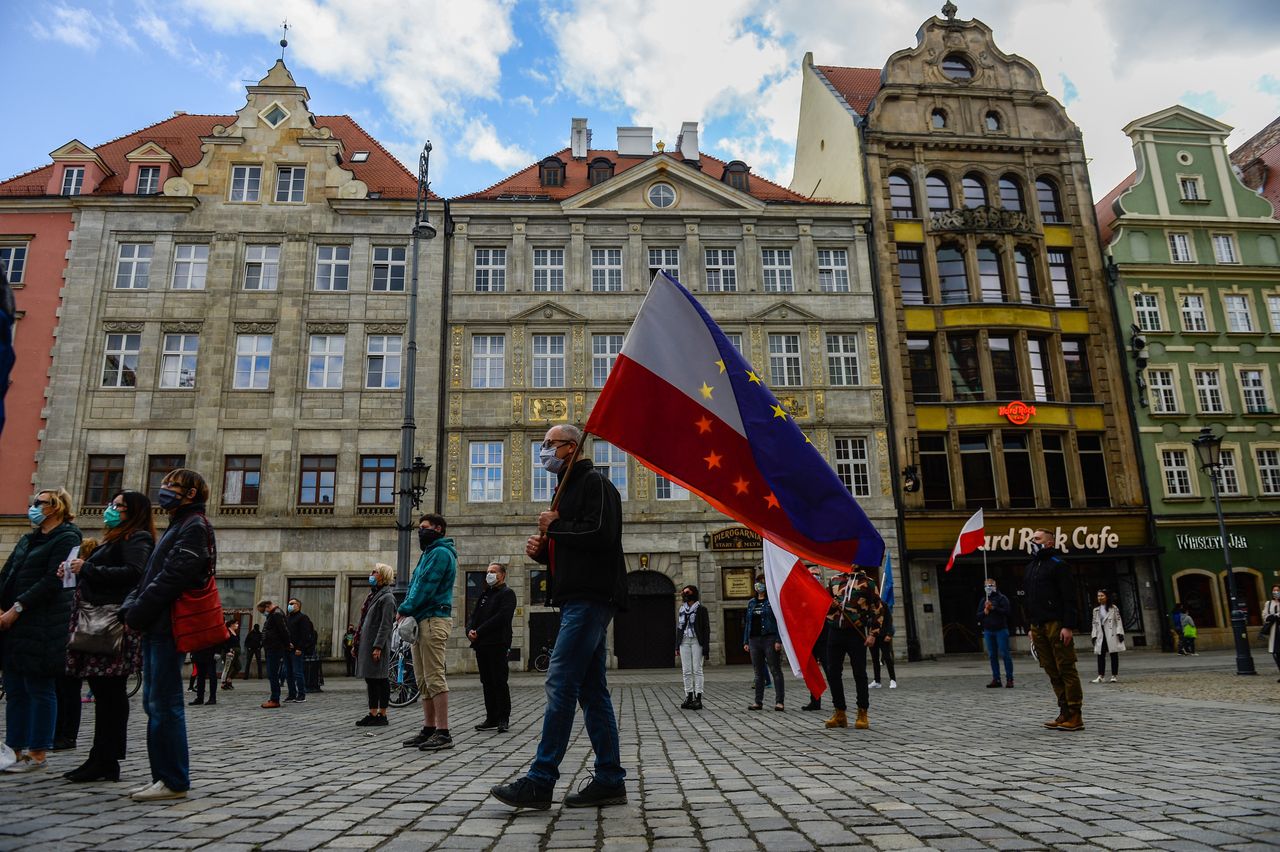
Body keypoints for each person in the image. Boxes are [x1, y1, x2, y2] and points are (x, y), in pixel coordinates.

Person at [491, 424, 628, 810]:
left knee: (560, 681)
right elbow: (575, 543)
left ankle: (540, 780)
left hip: (590, 597)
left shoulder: (596, 485)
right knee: (591, 691)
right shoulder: (564, 489)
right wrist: (544, 552)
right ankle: (609, 779)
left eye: (549, 445)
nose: (544, 452)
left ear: (571, 447)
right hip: (576, 596)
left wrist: (557, 528)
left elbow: (602, 534)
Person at [118, 468, 216, 801]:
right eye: (163, 484)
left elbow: (174, 577)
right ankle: (163, 776)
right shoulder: (178, 526)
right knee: (154, 703)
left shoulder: (194, 527)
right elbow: (149, 576)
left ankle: (173, 779)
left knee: (165, 704)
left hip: (166, 625)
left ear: (191, 494)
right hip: (155, 623)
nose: (164, 490)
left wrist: (138, 610)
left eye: (172, 485)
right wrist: (132, 603)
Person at [60, 492, 154, 782]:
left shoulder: (137, 538)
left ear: (134, 511)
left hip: (110, 624)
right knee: (104, 692)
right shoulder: (117, 537)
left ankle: (106, 758)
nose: (111, 509)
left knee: (110, 694)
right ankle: (102, 757)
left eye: (118, 506)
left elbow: (133, 573)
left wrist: (87, 567)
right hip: (97, 620)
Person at [0, 488, 82, 774]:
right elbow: (8, 573)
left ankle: (37, 752)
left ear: (56, 507)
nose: (33, 507)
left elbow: (52, 581)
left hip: (43, 622)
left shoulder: (68, 537)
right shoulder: (28, 538)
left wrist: (17, 608)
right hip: (14, 623)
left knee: (39, 687)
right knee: (15, 687)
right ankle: (14, 748)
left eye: (40, 503)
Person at [398, 513, 457, 752]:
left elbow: (425, 586)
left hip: (433, 619)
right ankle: (429, 728)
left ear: (439, 529)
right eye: (420, 528)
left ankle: (443, 731)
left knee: (434, 677)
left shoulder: (441, 553)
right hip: (422, 620)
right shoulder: (428, 553)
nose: (421, 531)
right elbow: (416, 584)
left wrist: (405, 608)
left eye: (425, 527)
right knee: (422, 680)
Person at [1024, 528, 1083, 732]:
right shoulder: (1031, 566)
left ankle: (1075, 714)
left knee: (1065, 667)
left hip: (1056, 623)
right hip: (1038, 625)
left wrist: (1068, 625)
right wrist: (1030, 626)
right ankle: (1064, 710)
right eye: (1032, 539)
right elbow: (1028, 599)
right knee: (1050, 669)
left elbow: (1069, 597)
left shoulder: (1058, 565)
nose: (1033, 541)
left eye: (1037, 539)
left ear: (1049, 543)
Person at [53, 537, 99, 752]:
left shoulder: (88, 575)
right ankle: (63, 733)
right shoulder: (73, 576)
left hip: (78, 635)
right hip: (71, 633)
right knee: (66, 688)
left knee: (68, 688)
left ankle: (67, 734)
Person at [823, 571, 884, 730]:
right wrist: (831, 604)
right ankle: (839, 712)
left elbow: (877, 609)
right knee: (833, 672)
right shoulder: (834, 580)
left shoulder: (868, 582)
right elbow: (823, 603)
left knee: (860, 673)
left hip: (855, 633)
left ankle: (862, 712)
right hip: (834, 631)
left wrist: (873, 634)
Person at [469, 562, 517, 732]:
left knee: (499, 681)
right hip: (481, 645)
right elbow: (474, 615)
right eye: (488, 571)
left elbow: (502, 617)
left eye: (493, 572)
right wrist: (470, 630)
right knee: (487, 681)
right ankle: (491, 717)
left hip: (498, 643)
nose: (489, 574)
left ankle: (503, 717)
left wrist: (479, 631)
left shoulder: (507, 593)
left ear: (502, 575)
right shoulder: (484, 594)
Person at [354, 563, 398, 727]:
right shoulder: (373, 595)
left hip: (377, 645)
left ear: (383, 576)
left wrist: (378, 646)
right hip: (367, 643)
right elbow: (364, 621)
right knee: (371, 679)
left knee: (380, 679)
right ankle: (372, 712)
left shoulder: (387, 597)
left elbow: (386, 625)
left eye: (375, 572)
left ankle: (382, 714)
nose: (371, 574)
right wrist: (356, 643)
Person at [743, 576, 784, 711]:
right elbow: (748, 623)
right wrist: (746, 641)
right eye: (757, 583)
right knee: (758, 672)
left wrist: (778, 640)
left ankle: (779, 701)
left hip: (769, 639)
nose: (759, 585)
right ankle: (758, 702)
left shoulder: (772, 601)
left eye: (762, 583)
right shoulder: (751, 603)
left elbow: (779, 621)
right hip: (754, 640)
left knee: (775, 670)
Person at [675, 584, 710, 711]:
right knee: (686, 671)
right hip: (684, 641)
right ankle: (688, 697)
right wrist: (677, 645)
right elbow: (679, 628)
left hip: (697, 641)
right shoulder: (681, 609)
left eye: (687, 592)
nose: (685, 594)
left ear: (694, 594)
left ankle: (698, 698)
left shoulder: (701, 609)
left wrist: (706, 647)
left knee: (697, 670)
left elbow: (706, 629)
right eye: (684, 592)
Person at [978, 578, 1015, 688]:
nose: (988, 588)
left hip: (1001, 630)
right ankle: (996, 678)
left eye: (990, 585)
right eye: (986, 586)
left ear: (995, 586)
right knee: (992, 655)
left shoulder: (1002, 598)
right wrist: (985, 612)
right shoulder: (983, 600)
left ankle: (1009, 679)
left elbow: (1007, 612)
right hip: (988, 630)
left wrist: (993, 608)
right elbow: (978, 615)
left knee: (1005, 654)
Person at [802, 567, 829, 712]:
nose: (814, 577)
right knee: (811, 671)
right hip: (810, 639)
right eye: (812, 575)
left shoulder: (826, 593)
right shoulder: (803, 594)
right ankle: (815, 700)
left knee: (831, 670)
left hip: (825, 638)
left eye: (817, 575)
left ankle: (838, 701)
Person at [257, 600, 290, 708]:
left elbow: (284, 630)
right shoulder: (274, 614)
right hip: (272, 647)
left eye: (263, 611)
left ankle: (275, 699)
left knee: (272, 674)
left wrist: (286, 644)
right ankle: (274, 697)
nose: (263, 614)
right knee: (272, 674)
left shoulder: (276, 614)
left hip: (275, 647)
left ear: (267, 606)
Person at [1090, 589, 1125, 683]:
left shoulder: (1113, 608)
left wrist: (1120, 633)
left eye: (1102, 595)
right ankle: (1101, 676)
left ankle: (1114, 675)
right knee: (1100, 655)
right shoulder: (1096, 610)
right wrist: (1093, 635)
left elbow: (1118, 621)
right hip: (1100, 634)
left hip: (1111, 633)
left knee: (1113, 654)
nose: (1100, 598)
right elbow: (1094, 623)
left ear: (1107, 597)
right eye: (1098, 596)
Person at [285, 598, 315, 702]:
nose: (290, 605)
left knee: (297, 672)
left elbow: (305, 634)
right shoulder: (287, 618)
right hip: (287, 649)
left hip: (297, 650)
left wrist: (300, 648)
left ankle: (301, 694)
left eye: (292, 603)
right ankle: (291, 694)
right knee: (288, 673)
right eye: (289, 603)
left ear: (298, 605)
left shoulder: (303, 618)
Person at [869, 580, 897, 690]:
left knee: (887, 658)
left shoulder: (883, 605)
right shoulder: (868, 606)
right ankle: (877, 681)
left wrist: (889, 634)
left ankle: (893, 680)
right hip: (873, 636)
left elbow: (889, 620)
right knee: (875, 659)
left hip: (884, 635)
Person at [1263, 585, 1280, 682]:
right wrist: (1273, 616)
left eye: (1278, 590)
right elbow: (1265, 615)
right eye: (1274, 590)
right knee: (1276, 653)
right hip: (1274, 631)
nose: (1276, 592)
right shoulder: (1268, 603)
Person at [219, 621, 241, 690]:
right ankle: (223, 683)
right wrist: (228, 651)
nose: (237, 625)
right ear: (232, 624)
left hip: (235, 653)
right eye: (236, 623)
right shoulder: (227, 631)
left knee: (238, 667)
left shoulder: (235, 632)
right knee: (227, 668)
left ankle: (229, 679)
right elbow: (223, 642)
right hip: (228, 653)